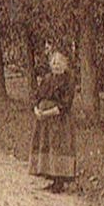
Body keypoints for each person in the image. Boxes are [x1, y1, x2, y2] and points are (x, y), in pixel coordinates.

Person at [30, 50, 77, 193]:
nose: (56, 65)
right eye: (54, 62)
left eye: (59, 62)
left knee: (58, 147)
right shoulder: (47, 78)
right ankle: (51, 177)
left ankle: (59, 182)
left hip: (59, 120)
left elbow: (65, 104)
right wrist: (37, 110)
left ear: (65, 65)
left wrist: (48, 113)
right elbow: (37, 96)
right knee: (47, 145)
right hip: (44, 120)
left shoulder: (68, 80)